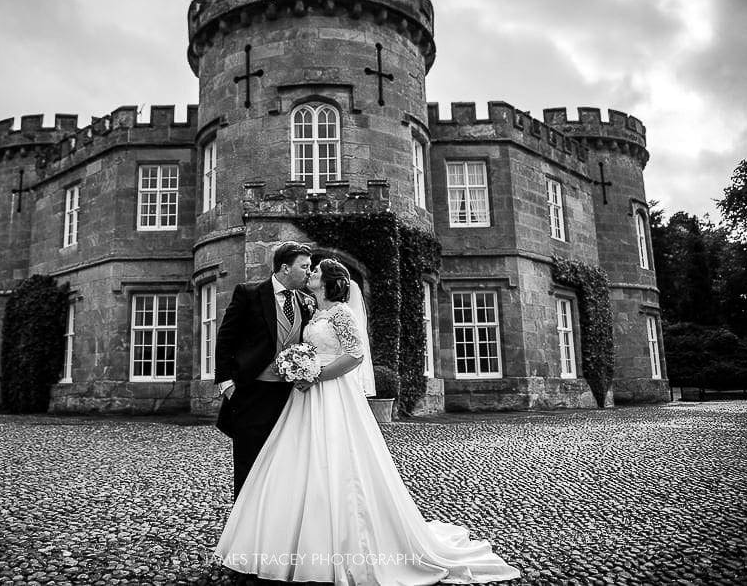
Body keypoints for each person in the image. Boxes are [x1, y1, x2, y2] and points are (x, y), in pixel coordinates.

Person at [215, 258, 521, 584]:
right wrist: (297, 368)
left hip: (332, 395)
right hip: (302, 399)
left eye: (315, 271)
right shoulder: (311, 309)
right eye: (307, 267)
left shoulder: (341, 313)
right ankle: (280, 540)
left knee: (338, 462)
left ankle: (337, 545)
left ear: (329, 281)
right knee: (295, 461)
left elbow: (356, 355)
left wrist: (315, 374)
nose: (310, 273)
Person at [213, 241, 315, 499]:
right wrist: (226, 384)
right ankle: (243, 528)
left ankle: (274, 519)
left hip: (290, 396)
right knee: (249, 461)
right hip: (252, 392)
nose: (309, 272)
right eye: (304, 267)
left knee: (284, 460)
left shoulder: (306, 301)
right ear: (285, 268)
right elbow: (226, 338)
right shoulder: (249, 293)